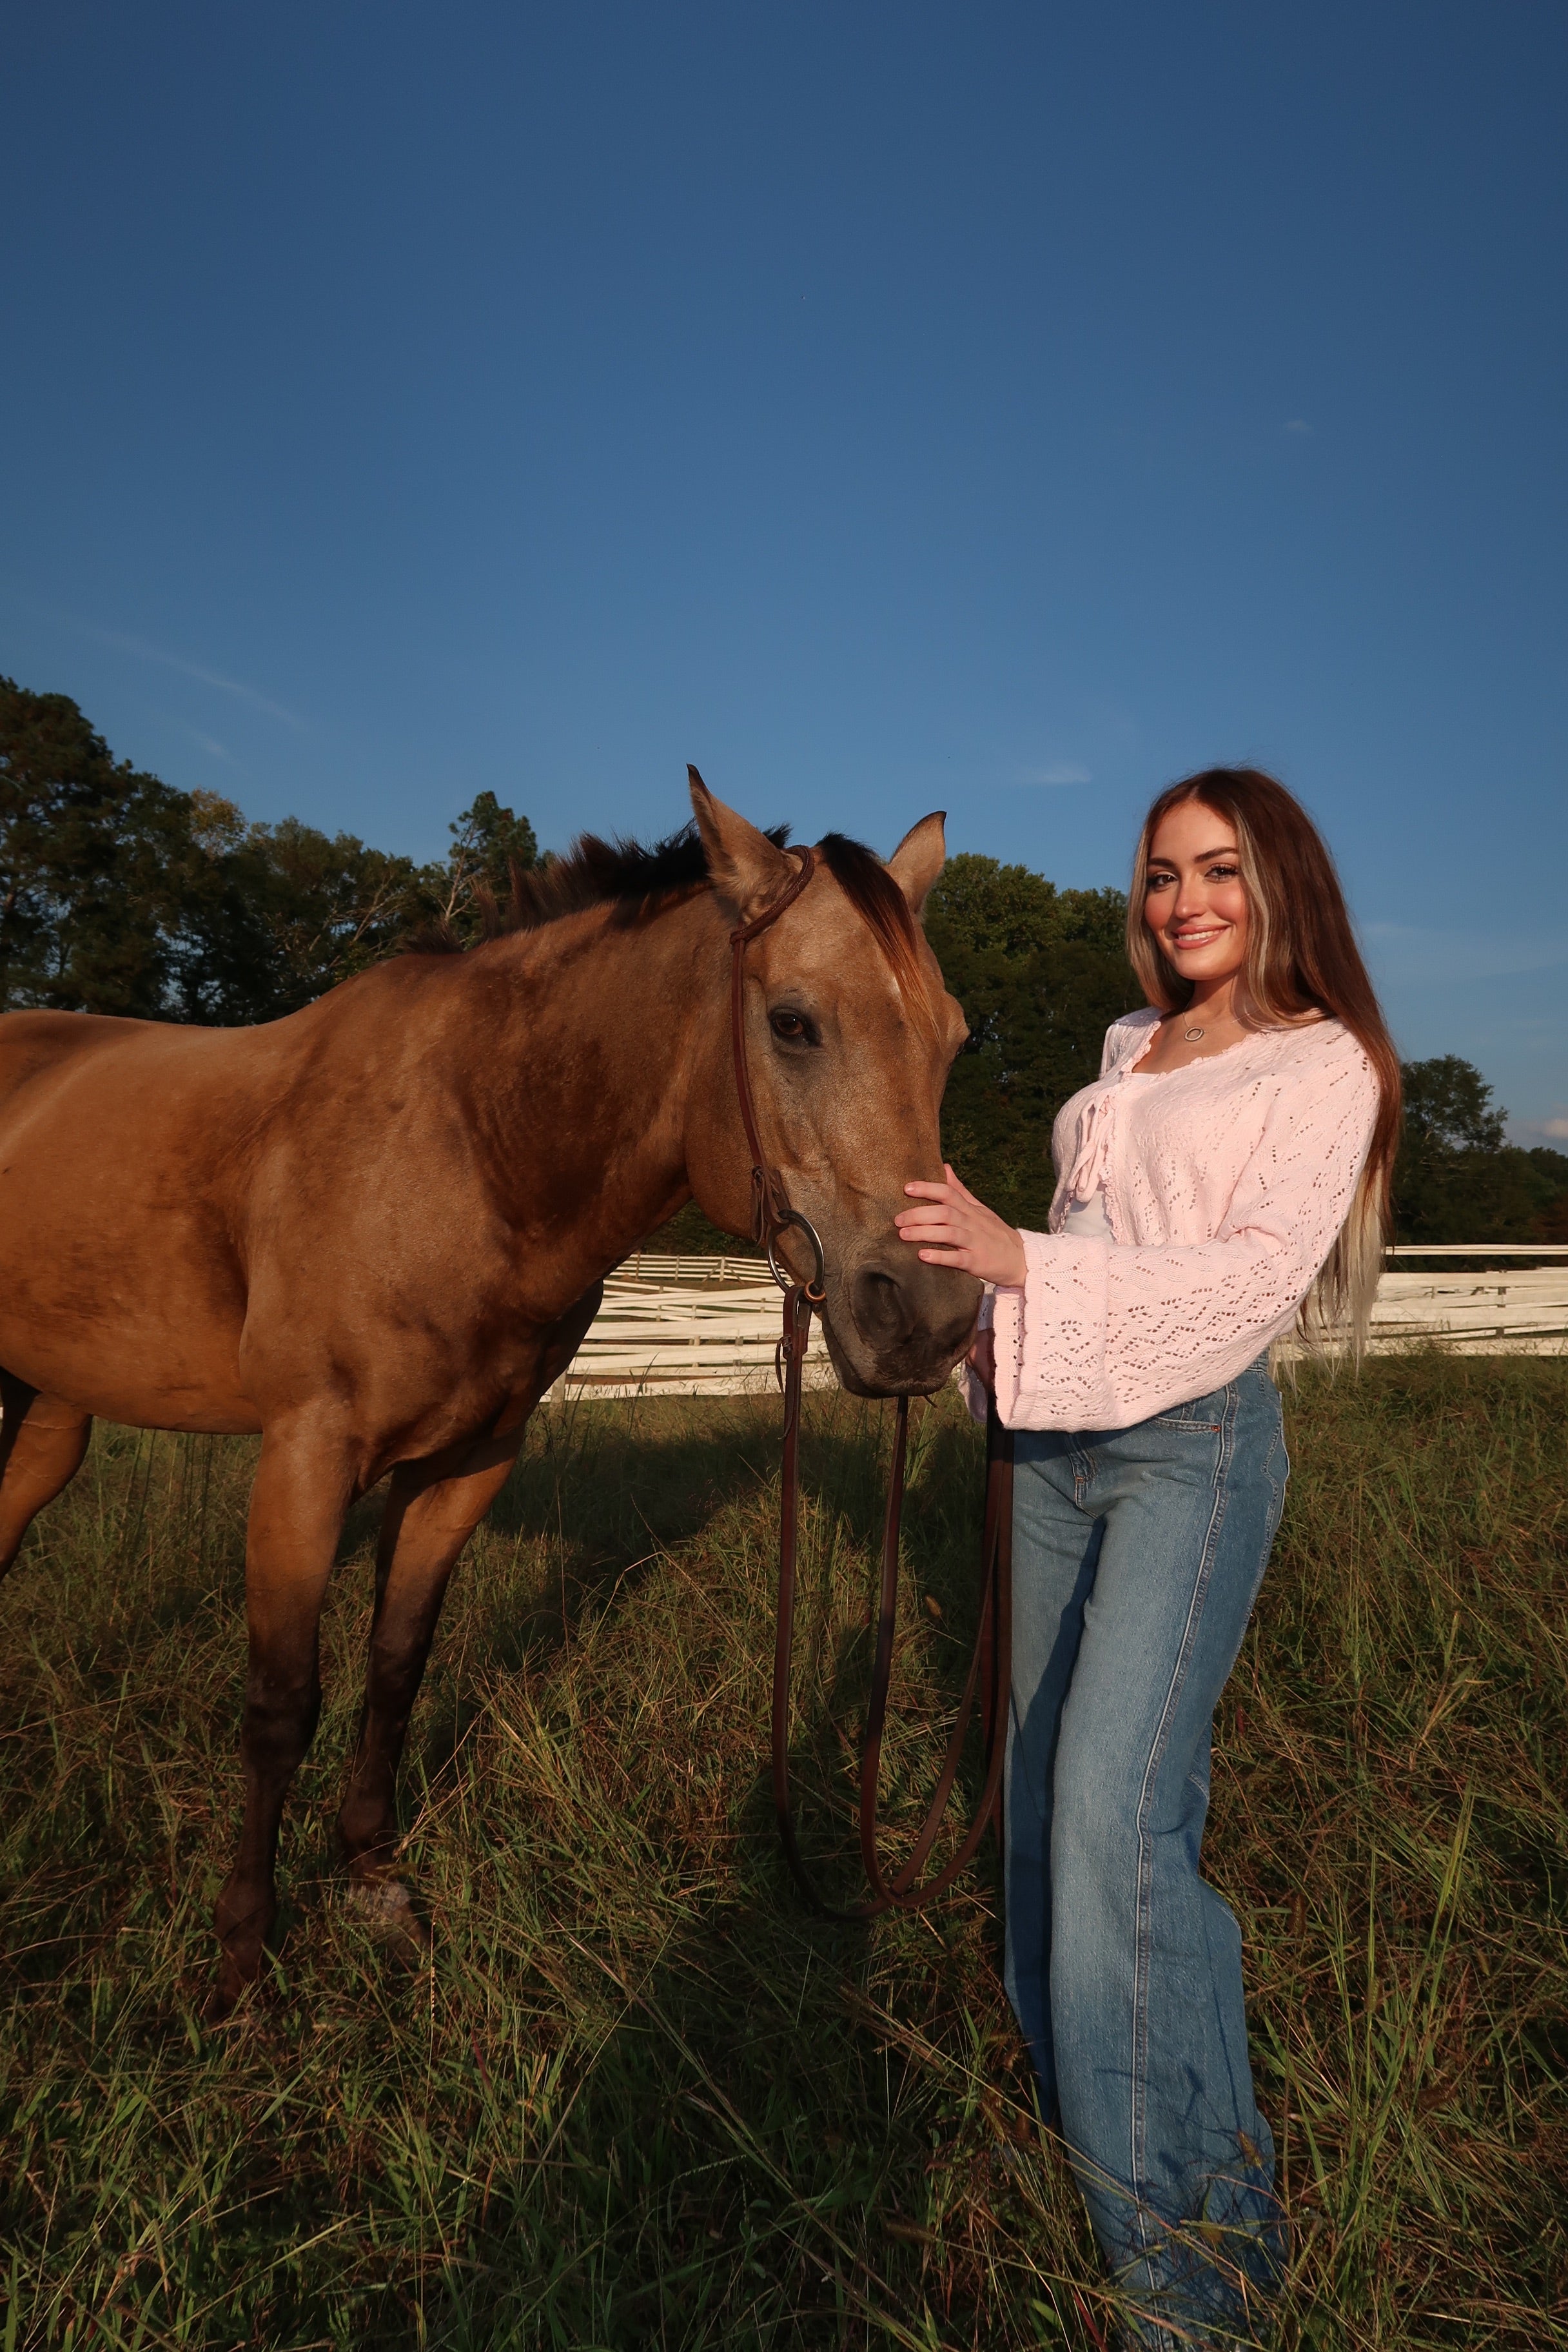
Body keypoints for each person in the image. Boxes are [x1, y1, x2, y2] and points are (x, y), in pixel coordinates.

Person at [896, 768, 1400, 2348]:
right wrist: (974, 1307)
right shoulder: (1130, 1046)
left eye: (1221, 871)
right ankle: (1086, 2127)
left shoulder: (1329, 1066)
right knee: (1041, 1802)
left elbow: (1248, 1284)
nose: (1186, 901)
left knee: (1121, 1820)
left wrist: (1021, 1258)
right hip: (1049, 1445)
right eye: (1165, 873)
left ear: (1280, 884)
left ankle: (1195, 2276)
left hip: (1189, 1452)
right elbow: (1090, 1248)